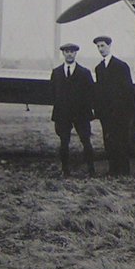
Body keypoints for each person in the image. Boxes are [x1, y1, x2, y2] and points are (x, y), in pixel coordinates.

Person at [92, 35, 135, 176]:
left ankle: (124, 170)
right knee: (109, 140)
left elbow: (128, 90)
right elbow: (99, 91)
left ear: (109, 46)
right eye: (98, 46)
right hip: (106, 114)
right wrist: (99, 111)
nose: (101, 49)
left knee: (121, 140)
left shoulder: (121, 66)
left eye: (103, 46)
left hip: (120, 112)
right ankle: (113, 169)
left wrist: (127, 112)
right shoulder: (99, 68)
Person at [49, 43, 95, 176]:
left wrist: (84, 108)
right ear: (63, 53)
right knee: (64, 142)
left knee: (86, 141)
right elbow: (52, 92)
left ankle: (91, 169)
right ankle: (65, 170)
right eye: (67, 51)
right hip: (63, 114)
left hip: (81, 114)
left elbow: (90, 92)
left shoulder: (84, 72)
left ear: (76, 54)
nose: (69, 54)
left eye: (72, 52)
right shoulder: (56, 72)